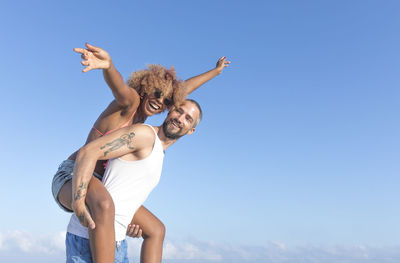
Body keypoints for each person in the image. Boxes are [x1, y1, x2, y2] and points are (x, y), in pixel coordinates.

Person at [51, 43, 229, 263]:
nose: (159, 102)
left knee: (156, 229)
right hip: (73, 173)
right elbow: (120, 90)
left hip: (101, 182)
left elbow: (185, 90)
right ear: (145, 88)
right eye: (156, 94)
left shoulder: (144, 125)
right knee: (104, 205)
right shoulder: (130, 104)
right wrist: (109, 67)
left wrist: (215, 72)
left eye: (165, 101)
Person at [67, 99, 202, 263]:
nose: (180, 119)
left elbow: (124, 195)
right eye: (178, 111)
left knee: (157, 230)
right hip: (89, 239)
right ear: (170, 110)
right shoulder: (145, 135)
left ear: (191, 130)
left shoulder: (159, 152)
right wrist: (78, 202)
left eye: (188, 118)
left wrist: (128, 222)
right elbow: (88, 151)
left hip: (118, 242)